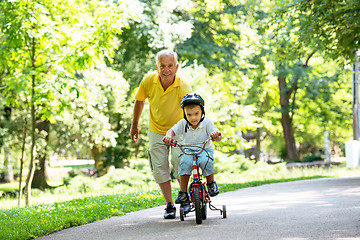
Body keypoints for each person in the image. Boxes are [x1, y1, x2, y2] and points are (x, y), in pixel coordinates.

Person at [130, 49, 192, 219]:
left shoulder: (182, 85)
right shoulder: (149, 81)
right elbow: (139, 101)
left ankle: (185, 199)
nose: (166, 70)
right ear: (157, 67)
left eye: (170, 66)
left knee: (180, 162)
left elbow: (191, 110)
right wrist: (134, 125)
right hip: (156, 129)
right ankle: (169, 205)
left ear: (176, 67)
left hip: (179, 129)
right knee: (159, 167)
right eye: (163, 66)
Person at [162, 93, 222, 209]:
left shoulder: (207, 123)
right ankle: (183, 192)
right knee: (184, 163)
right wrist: (168, 136)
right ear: (184, 114)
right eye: (189, 115)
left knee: (206, 161)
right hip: (188, 150)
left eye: (196, 114)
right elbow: (171, 131)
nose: (193, 118)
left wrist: (215, 136)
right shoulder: (183, 124)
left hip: (204, 149)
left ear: (202, 112)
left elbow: (218, 136)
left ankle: (211, 183)